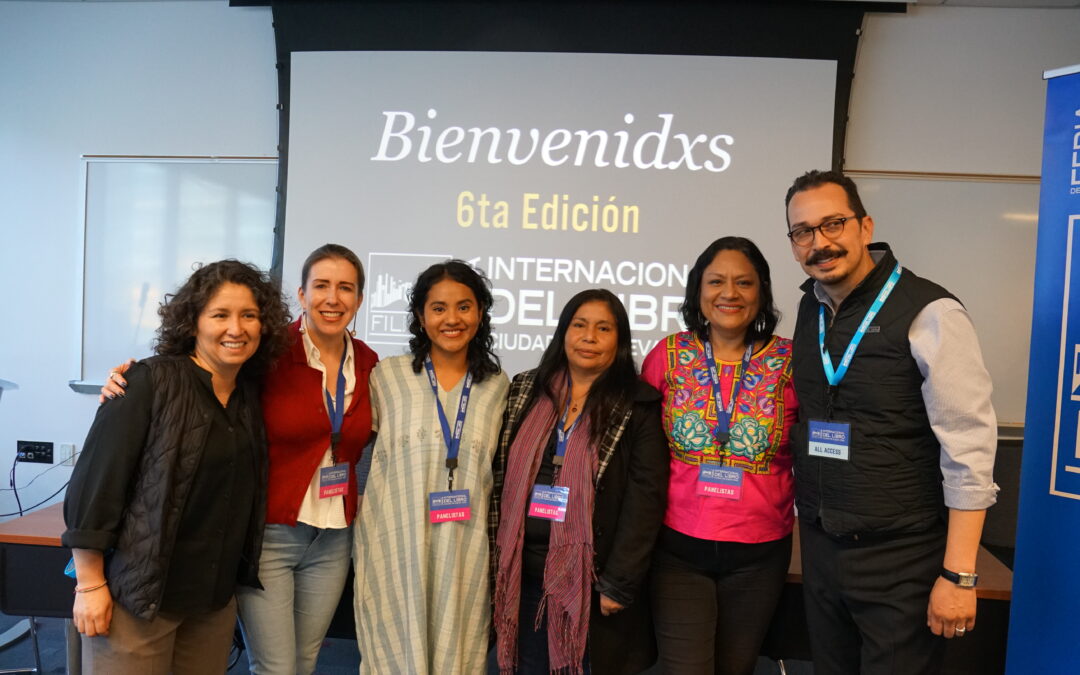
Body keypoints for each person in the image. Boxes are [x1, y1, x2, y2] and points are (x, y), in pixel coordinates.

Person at [100, 243, 378, 675]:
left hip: (334, 537)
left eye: (346, 288)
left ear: (359, 299)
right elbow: (198, 371)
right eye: (321, 285)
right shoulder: (267, 353)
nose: (333, 298)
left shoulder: (369, 363)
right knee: (276, 667)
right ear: (302, 296)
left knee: (305, 660)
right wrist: (128, 381)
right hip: (270, 535)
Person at [783, 170, 998, 674]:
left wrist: (959, 575)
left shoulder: (931, 312)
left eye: (833, 223)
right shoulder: (809, 309)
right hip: (822, 548)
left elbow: (968, 448)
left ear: (864, 225)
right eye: (803, 231)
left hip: (900, 559)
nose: (820, 242)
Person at [63, 259, 291, 674]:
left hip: (211, 604)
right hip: (140, 600)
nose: (236, 328)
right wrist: (90, 583)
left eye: (249, 316)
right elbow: (95, 488)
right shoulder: (148, 383)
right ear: (193, 322)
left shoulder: (247, 398)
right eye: (220, 315)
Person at [491, 289, 669, 675]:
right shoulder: (526, 389)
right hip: (521, 577)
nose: (589, 337)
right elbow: (500, 476)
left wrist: (619, 583)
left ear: (619, 341)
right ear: (563, 332)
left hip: (590, 585)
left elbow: (646, 500)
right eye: (580, 325)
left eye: (603, 328)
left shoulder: (637, 404)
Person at [641, 237, 797, 675]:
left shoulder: (790, 360)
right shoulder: (668, 355)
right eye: (717, 282)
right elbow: (639, 447)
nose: (730, 293)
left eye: (744, 282)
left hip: (760, 552)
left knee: (737, 668)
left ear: (762, 292)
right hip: (678, 549)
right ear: (698, 291)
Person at [352, 259, 509, 674]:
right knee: (393, 652)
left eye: (464, 306)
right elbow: (363, 453)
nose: (451, 319)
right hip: (394, 545)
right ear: (421, 317)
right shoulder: (387, 376)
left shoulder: (498, 386)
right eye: (438, 308)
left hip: (465, 548)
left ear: (480, 313)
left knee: (456, 650)